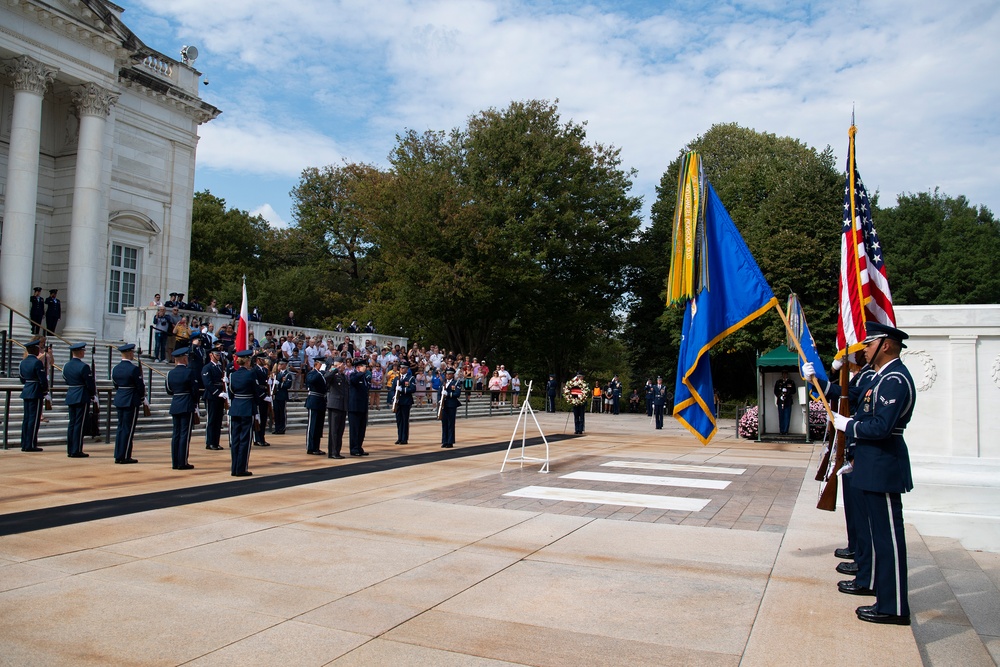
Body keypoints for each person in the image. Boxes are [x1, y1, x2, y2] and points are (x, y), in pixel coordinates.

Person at [805, 322, 916, 626]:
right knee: (879, 537)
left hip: (883, 465)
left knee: (888, 540)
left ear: (887, 345)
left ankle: (893, 608)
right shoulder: (880, 378)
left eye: (870, 344)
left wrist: (848, 426)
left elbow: (880, 427)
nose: (864, 349)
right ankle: (884, 597)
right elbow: (851, 396)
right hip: (871, 463)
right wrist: (818, 380)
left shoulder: (894, 379)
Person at [111, 343, 144, 464]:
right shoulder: (134, 369)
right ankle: (125, 455)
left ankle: (118, 454)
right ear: (130, 353)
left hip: (120, 398)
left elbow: (115, 384)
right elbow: (140, 386)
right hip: (131, 399)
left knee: (120, 428)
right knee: (128, 429)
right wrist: (141, 398)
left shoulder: (116, 368)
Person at [165, 347, 197, 470]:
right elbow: (194, 390)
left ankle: (175, 462)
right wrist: (194, 403)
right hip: (186, 403)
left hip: (175, 403)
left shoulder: (170, 373)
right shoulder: (189, 372)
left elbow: (169, 390)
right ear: (184, 359)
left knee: (176, 434)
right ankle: (182, 462)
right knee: (184, 434)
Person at [228, 349, 259, 476]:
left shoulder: (232, 375)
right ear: (247, 361)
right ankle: (241, 469)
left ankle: (234, 468)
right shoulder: (251, 374)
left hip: (235, 408)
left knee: (235, 439)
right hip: (247, 407)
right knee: (245, 440)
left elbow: (231, 392)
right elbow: (256, 392)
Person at [63, 342, 94, 458]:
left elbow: (66, 379)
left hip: (71, 394)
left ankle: (70, 449)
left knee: (72, 423)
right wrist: (92, 394)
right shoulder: (84, 366)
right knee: (79, 424)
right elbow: (89, 383)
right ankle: (76, 450)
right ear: (80, 352)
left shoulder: (66, 366)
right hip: (81, 395)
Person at [18, 339, 47, 452]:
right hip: (35, 391)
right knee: (34, 419)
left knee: (27, 418)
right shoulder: (37, 362)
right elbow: (42, 380)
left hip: (27, 389)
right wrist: (45, 391)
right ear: (34, 349)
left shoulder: (23, 362)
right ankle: (31, 444)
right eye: (38, 348)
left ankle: (25, 443)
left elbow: (22, 378)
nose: (39, 350)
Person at [201, 345, 227, 450]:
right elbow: (207, 383)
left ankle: (216, 442)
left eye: (219, 354)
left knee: (218, 420)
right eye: (217, 354)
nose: (219, 356)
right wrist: (217, 393)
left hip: (220, 396)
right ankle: (210, 442)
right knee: (211, 420)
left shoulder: (220, 367)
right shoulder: (207, 367)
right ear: (211, 355)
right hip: (212, 396)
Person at [324, 357, 348, 459]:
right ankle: (333, 452)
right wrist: (335, 369)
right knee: (334, 430)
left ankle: (337, 451)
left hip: (342, 405)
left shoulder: (343, 376)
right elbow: (326, 377)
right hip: (334, 404)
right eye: (343, 365)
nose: (344, 367)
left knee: (340, 430)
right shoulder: (333, 373)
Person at [347, 357, 371, 456]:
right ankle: (354, 448)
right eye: (363, 366)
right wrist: (361, 373)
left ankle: (359, 447)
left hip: (362, 407)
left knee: (361, 429)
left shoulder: (364, 377)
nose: (365, 368)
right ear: (358, 367)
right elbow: (353, 380)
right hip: (355, 407)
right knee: (355, 429)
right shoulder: (354, 375)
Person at [304, 356, 327, 455]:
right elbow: (311, 381)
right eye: (321, 364)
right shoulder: (312, 373)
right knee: (312, 426)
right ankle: (310, 447)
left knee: (318, 426)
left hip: (321, 401)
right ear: (316, 364)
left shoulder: (323, 375)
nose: (322, 366)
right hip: (313, 400)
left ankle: (316, 447)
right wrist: (320, 372)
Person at [392, 361, 416, 444]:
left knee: (405, 420)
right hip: (398, 402)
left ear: (407, 369)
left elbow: (413, 389)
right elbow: (392, 390)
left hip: (406, 401)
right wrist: (394, 396)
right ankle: (399, 437)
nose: (401, 369)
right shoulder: (396, 378)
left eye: (403, 368)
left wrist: (403, 390)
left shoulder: (410, 378)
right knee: (399, 420)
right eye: (400, 368)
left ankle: (404, 438)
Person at [440, 367, 461, 448]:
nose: (447, 375)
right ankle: (444, 440)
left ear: (452, 375)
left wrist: (448, 394)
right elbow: (439, 393)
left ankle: (450, 441)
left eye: (449, 374)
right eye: (446, 374)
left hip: (451, 405)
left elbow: (457, 394)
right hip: (444, 405)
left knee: (450, 423)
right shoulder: (443, 383)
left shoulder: (456, 383)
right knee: (444, 423)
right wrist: (440, 400)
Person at [272, 359, 293, 435]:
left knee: (282, 413)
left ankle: (282, 428)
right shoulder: (277, 374)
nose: (280, 365)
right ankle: (277, 428)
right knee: (276, 412)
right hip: (276, 395)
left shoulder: (288, 374)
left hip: (282, 396)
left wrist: (279, 384)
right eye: (279, 364)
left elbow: (288, 385)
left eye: (282, 364)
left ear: (285, 365)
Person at [774, 370, 796, 435]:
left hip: (788, 401)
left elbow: (794, 391)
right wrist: (780, 395)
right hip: (780, 401)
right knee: (781, 416)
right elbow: (775, 391)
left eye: (786, 374)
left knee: (787, 416)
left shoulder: (791, 382)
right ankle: (781, 430)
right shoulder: (778, 382)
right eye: (783, 374)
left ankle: (786, 431)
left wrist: (787, 392)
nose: (784, 375)